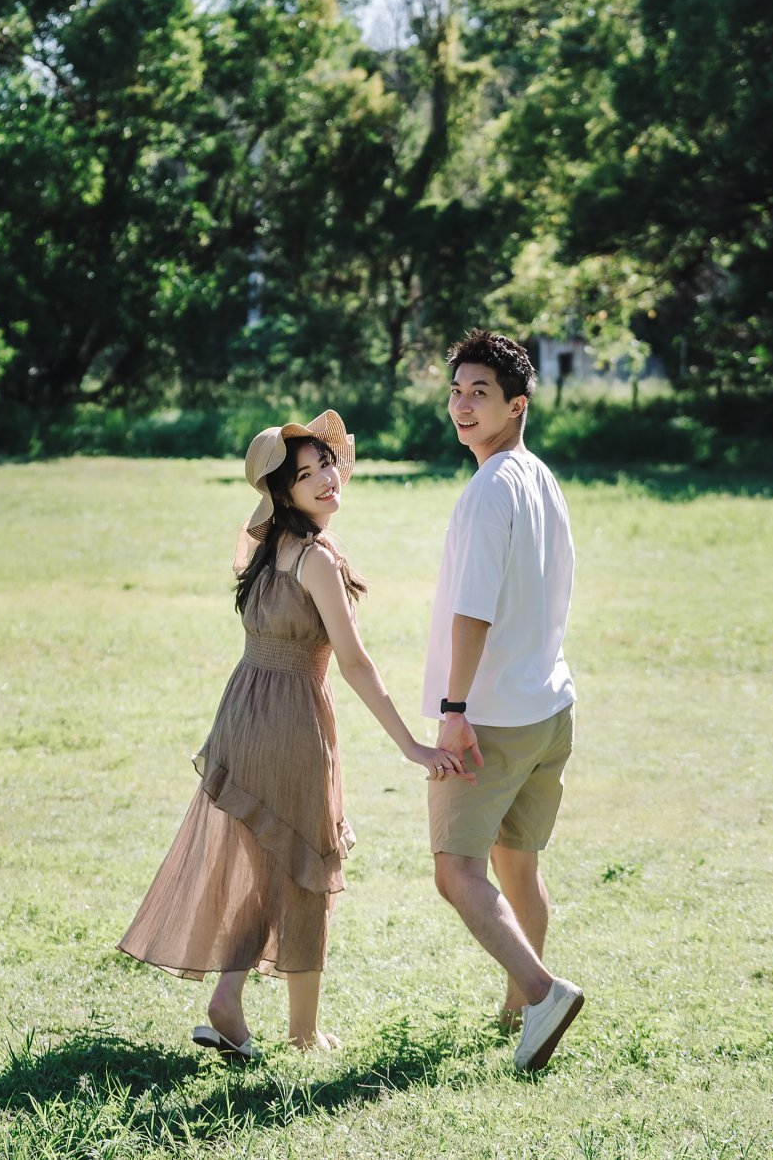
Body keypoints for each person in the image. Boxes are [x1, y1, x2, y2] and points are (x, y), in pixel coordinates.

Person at [118, 410, 464, 1058]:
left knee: (269, 869)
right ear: (284, 492)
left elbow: (262, 562)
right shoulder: (315, 558)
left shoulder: (265, 548)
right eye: (307, 475)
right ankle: (303, 1034)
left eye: (327, 464)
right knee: (307, 869)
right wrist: (412, 746)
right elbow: (354, 662)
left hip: (242, 715)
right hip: (290, 725)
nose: (328, 478)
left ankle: (227, 1001)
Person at [422, 329, 585, 1072]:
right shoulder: (540, 477)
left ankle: (542, 993)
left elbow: (473, 611)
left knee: (456, 871)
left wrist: (453, 712)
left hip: (492, 719)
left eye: (480, 393)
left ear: (516, 405)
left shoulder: (491, 489)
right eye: (456, 391)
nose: (462, 405)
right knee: (519, 867)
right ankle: (523, 1014)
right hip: (548, 708)